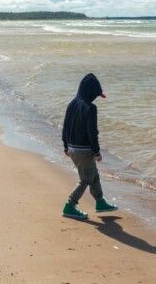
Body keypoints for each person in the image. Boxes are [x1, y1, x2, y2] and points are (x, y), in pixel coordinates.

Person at [62, 73, 118, 219]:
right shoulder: (90, 108)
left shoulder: (71, 104)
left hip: (72, 148)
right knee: (86, 179)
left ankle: (100, 202)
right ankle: (70, 205)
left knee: (93, 175)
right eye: (96, 95)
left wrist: (65, 146)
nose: (96, 98)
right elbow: (92, 132)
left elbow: (65, 127)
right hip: (84, 150)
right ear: (90, 93)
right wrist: (97, 152)